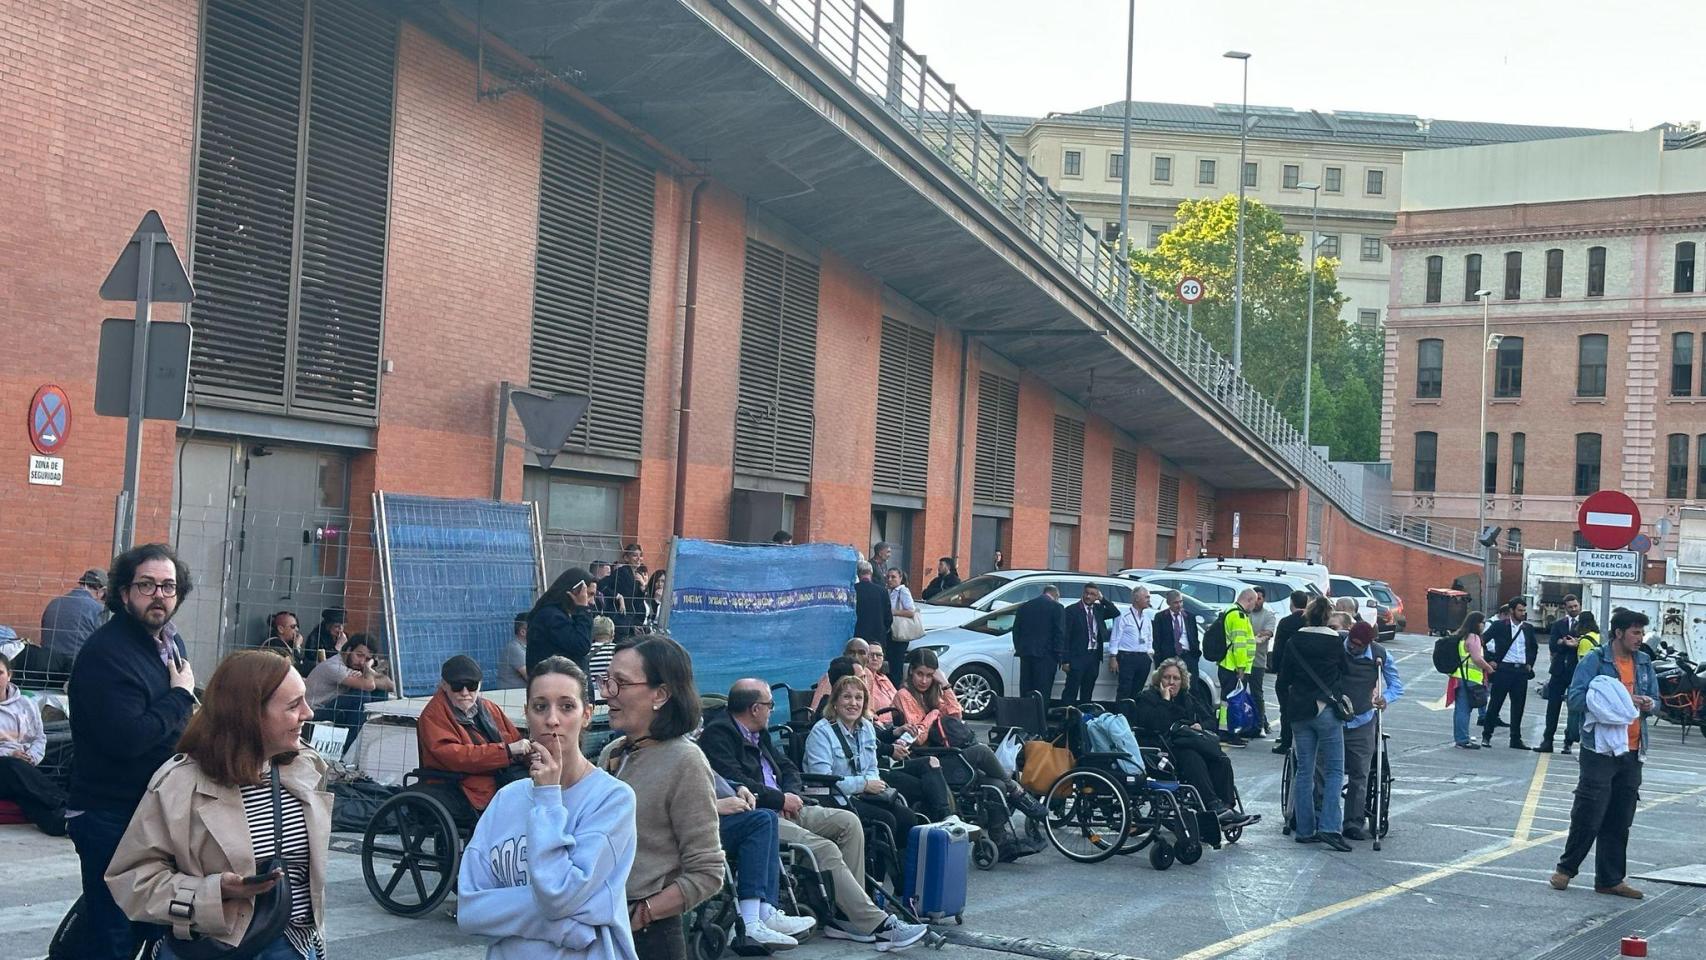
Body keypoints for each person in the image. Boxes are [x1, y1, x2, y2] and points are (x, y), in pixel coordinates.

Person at [106, 649, 326, 959]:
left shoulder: (306, 768)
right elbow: (132, 882)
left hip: (296, 947)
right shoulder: (180, 784)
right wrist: (214, 892)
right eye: (293, 706)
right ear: (249, 714)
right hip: (214, 948)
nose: (308, 713)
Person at [700, 677, 929, 950]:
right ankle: (879, 925)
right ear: (754, 708)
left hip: (790, 805)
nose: (772, 710)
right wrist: (780, 799)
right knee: (824, 848)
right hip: (758, 814)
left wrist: (791, 794)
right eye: (769, 705)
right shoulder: (719, 736)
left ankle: (844, 917)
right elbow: (737, 783)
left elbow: (787, 767)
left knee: (848, 822)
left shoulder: (758, 731)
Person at [458, 656, 641, 960]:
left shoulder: (613, 799)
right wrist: (566, 926)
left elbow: (557, 895)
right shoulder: (507, 799)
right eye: (540, 706)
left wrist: (547, 798)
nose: (552, 719)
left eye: (567, 706)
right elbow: (470, 911)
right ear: (527, 713)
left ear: (587, 715)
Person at [66, 543, 198, 960]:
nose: (159, 595)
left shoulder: (167, 643)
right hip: (109, 813)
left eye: (168, 586)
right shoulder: (108, 654)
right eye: (147, 585)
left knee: (138, 924)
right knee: (114, 932)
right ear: (123, 593)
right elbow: (128, 738)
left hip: (149, 811)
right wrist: (180, 698)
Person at [595, 636, 724, 960]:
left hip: (650, 938)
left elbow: (707, 872)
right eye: (607, 681)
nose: (607, 693)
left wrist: (644, 913)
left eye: (620, 683)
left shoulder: (685, 761)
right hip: (599, 926)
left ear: (661, 694)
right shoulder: (613, 752)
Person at [1551, 609, 1659, 899]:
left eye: (1642, 632)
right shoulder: (1595, 660)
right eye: (1635, 632)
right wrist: (1617, 699)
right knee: (1589, 812)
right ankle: (1566, 869)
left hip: (1633, 750)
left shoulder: (1645, 662)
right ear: (1618, 633)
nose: (1640, 638)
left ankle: (1610, 880)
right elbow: (1574, 698)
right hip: (1599, 749)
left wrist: (1649, 704)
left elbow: (1658, 702)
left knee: (1620, 817)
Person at [894, 649, 1043, 819]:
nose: (924, 680)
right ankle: (1017, 791)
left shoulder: (931, 693)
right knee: (982, 751)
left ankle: (1000, 839)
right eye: (920, 674)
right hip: (925, 758)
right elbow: (918, 738)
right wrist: (932, 715)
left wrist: (945, 684)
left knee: (996, 784)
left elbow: (956, 715)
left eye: (929, 675)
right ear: (911, 671)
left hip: (947, 751)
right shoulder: (904, 695)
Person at [804, 675, 920, 864]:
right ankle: (876, 884)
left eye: (858, 698)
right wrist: (864, 785)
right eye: (847, 697)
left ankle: (903, 879)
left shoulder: (866, 727)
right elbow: (822, 779)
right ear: (835, 702)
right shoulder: (821, 732)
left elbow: (872, 766)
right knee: (886, 820)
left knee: (907, 817)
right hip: (833, 797)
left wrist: (872, 784)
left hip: (865, 794)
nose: (853, 703)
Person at [1129, 658, 1251, 826]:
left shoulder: (1188, 698)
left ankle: (1227, 806)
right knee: (1192, 757)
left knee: (1220, 759)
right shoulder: (1147, 697)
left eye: (1176, 678)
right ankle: (1212, 804)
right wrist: (1165, 701)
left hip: (1190, 741)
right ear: (1159, 679)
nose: (1171, 682)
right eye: (1167, 677)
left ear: (1182, 681)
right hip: (1163, 748)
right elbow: (1155, 724)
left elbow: (1211, 721)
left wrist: (1200, 726)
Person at [417, 654, 530, 826]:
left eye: (471, 686)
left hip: (494, 778)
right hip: (461, 785)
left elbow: (515, 740)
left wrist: (530, 755)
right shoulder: (432, 716)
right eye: (457, 686)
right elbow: (456, 757)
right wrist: (506, 751)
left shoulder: (490, 708)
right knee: (521, 800)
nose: (464, 693)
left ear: (479, 685)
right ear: (444, 685)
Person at [1277, 597, 1349, 852]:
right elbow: (1345, 670)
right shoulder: (1334, 641)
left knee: (1304, 770)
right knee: (1334, 770)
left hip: (1299, 711)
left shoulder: (1294, 640)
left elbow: (1282, 676)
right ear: (1327, 616)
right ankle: (1330, 827)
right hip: (1326, 709)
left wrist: (1288, 708)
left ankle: (1305, 829)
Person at [1340, 622, 1402, 841]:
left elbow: (1396, 685)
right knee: (1326, 771)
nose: (1353, 648)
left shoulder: (1380, 654)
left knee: (1360, 773)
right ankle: (1321, 816)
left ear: (1368, 643)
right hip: (1335, 718)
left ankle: (1353, 823)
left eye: (1358, 645)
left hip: (1363, 720)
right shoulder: (1337, 642)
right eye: (1351, 642)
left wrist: (1386, 698)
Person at [0, 651, 65, 834]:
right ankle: (64, 801)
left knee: (25, 793)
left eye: (0, 673)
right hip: (6, 766)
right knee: (12, 766)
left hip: (23, 768)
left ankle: (61, 823)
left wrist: (32, 758)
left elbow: (39, 737)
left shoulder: (26, 704)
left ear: (9, 675)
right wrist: (10, 754)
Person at [304, 634, 394, 750]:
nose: (361, 662)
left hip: (333, 708)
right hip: (314, 713)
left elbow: (389, 685)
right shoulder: (334, 666)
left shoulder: (354, 667)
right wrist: (367, 668)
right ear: (348, 650)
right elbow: (369, 685)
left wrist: (368, 673)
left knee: (379, 693)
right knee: (361, 696)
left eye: (367, 659)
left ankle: (369, 739)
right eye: (359, 655)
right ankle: (348, 749)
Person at [1482, 597, 1538, 749]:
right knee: (1495, 703)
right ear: (1512, 611)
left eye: (1524, 611)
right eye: (1520, 610)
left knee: (1518, 706)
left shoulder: (1527, 628)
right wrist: (1490, 660)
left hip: (1520, 672)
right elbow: (1482, 641)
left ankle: (1515, 739)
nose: (1523, 613)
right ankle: (1486, 735)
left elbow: (1533, 647)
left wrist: (1529, 664)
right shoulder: (1500, 626)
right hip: (1504, 670)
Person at [1537, 595, 1585, 753]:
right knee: (1553, 707)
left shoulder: (1585, 624)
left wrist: (1567, 643)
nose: (1573, 609)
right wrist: (1565, 643)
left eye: (1575, 606)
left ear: (1579, 605)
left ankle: (1568, 741)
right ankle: (1547, 740)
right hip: (1558, 670)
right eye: (1570, 607)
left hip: (1576, 671)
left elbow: (1587, 645)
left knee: (1574, 708)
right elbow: (1553, 644)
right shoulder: (1559, 624)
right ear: (1565, 608)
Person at [529, 567, 598, 672]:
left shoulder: (564, 615)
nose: (592, 602)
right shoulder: (551, 616)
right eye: (588, 594)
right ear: (574, 591)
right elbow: (581, 645)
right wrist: (583, 610)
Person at [1060, 584, 1118, 705]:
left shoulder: (1099, 609)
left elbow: (1114, 612)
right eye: (1086, 593)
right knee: (1071, 689)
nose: (1088, 596)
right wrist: (1065, 660)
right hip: (1077, 656)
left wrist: (1103, 599)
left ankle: (1084, 717)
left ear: (1096, 596)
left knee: (1088, 690)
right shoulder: (1072, 610)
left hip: (1093, 656)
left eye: (1092, 594)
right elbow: (1066, 636)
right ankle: (1066, 716)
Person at [1217, 589, 1259, 747]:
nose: (1254, 607)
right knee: (1235, 703)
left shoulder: (1230, 611)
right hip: (1235, 668)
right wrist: (1241, 668)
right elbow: (1240, 645)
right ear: (1248, 600)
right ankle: (1233, 734)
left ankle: (1223, 731)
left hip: (1227, 666)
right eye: (1254, 603)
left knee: (1226, 702)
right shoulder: (1239, 616)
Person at [1448, 612, 1495, 749]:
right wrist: (1488, 668)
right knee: (1464, 710)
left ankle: (1460, 738)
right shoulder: (1473, 637)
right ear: (1476, 623)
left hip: (1458, 677)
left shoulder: (1461, 637)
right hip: (1470, 679)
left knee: (1459, 710)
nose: (1483, 625)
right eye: (1482, 622)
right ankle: (1463, 740)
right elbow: (1476, 658)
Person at [1011, 584, 1066, 701]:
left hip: (1026, 654)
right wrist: (1059, 655)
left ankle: (1026, 716)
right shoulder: (1057, 607)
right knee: (1043, 691)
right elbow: (1059, 633)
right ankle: (1039, 717)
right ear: (1055, 595)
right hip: (1046, 656)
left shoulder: (1025, 606)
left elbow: (1016, 630)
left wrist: (1019, 648)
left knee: (1026, 688)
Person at [1270, 590, 1309, 755]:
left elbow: (1278, 648)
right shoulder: (1309, 622)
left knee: (1285, 708)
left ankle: (1286, 740)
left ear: (1292, 603)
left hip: (1287, 671)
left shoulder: (1286, 622)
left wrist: (1276, 668)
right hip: (1306, 672)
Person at [39, 568, 107, 661]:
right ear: (101, 590)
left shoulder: (54, 603)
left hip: (48, 664)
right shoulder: (97, 609)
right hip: (80, 666)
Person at [1108, 585, 1155, 703]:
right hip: (1127, 657)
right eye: (1146, 597)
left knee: (1138, 690)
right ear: (1136, 598)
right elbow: (1115, 637)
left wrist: (1149, 654)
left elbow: (1150, 638)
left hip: (1143, 657)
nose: (1149, 600)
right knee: (1125, 689)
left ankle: (1133, 717)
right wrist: (1113, 657)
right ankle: (1121, 716)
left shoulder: (1147, 618)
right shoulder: (1124, 616)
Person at [852, 561, 895, 682]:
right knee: (876, 669)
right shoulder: (882, 591)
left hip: (857, 636)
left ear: (858, 574)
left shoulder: (853, 591)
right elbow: (888, 617)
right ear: (871, 573)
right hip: (877, 636)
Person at [811, 639, 875, 713]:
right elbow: (815, 710)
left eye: (861, 653)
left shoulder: (868, 675)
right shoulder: (831, 677)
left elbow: (870, 707)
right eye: (851, 652)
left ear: (868, 658)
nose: (856, 656)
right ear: (844, 655)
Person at [1249, 588, 1277, 736]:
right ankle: (1258, 722)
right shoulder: (1245, 613)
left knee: (1256, 694)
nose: (1256, 601)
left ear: (1264, 599)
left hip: (1258, 661)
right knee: (1239, 693)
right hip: (1241, 660)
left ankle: (1260, 725)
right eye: (1254, 598)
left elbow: (1268, 632)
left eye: (1259, 598)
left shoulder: (1268, 615)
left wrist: (1255, 637)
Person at [1152, 590, 1200, 674]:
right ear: (1169, 603)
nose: (1179, 605)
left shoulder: (1190, 617)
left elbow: (1194, 638)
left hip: (1188, 657)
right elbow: (1157, 640)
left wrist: (1195, 657)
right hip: (1169, 657)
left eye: (1181, 602)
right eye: (1176, 603)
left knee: (1191, 685)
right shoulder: (1161, 617)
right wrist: (1159, 660)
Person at [260, 610, 313, 677]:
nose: (297, 629)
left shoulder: (287, 643)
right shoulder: (274, 644)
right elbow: (295, 666)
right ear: (280, 629)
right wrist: (297, 646)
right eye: (293, 626)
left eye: (297, 626)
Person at [609, 544, 646, 638]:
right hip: (620, 621)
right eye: (635, 555)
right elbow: (602, 586)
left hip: (631, 623)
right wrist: (618, 596)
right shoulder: (621, 572)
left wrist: (642, 587)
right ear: (626, 558)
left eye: (640, 555)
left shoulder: (638, 576)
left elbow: (638, 604)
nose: (638, 559)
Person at [886, 569, 919, 673]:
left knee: (897, 662)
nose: (890, 580)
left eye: (893, 577)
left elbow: (911, 612)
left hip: (900, 631)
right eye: (888, 577)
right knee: (891, 661)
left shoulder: (903, 591)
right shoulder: (890, 591)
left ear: (900, 578)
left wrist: (893, 612)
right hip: (891, 631)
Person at [863, 644, 899, 715]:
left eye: (879, 655)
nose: (875, 658)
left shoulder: (884, 678)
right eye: (871, 655)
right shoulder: (863, 679)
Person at [499, 612, 530, 689]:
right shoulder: (514, 648)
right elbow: (530, 677)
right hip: (513, 696)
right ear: (523, 632)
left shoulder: (526, 648)